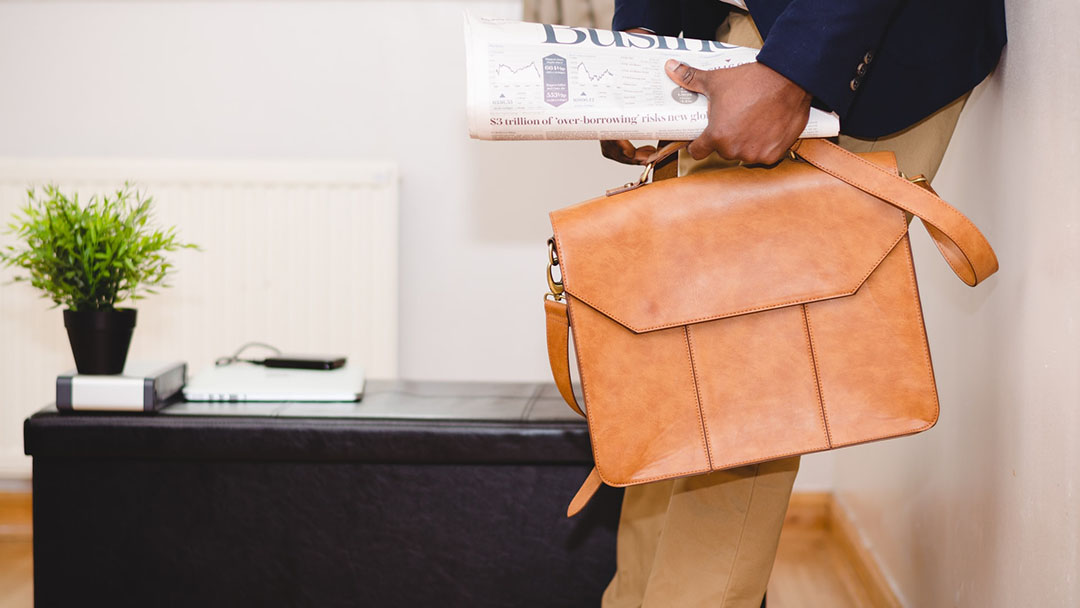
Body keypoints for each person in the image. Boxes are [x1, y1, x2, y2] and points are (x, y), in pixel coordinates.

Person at [597, 1, 1006, 607]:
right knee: (680, 371)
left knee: (746, 389)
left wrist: (796, 69)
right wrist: (637, 40)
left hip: (836, 37)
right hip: (720, 38)